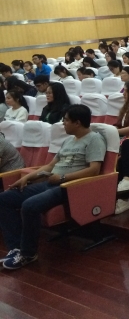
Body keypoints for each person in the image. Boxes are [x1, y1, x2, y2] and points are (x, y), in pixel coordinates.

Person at [0, 105, 106, 269]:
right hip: (50, 182)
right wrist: (26, 177)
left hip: (68, 187)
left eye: (66, 120)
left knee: (29, 205)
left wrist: (63, 177)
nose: (63, 123)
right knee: (4, 199)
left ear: (77, 123)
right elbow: (49, 166)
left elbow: (94, 170)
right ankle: (15, 248)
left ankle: (28, 254)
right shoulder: (68, 140)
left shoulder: (95, 139)